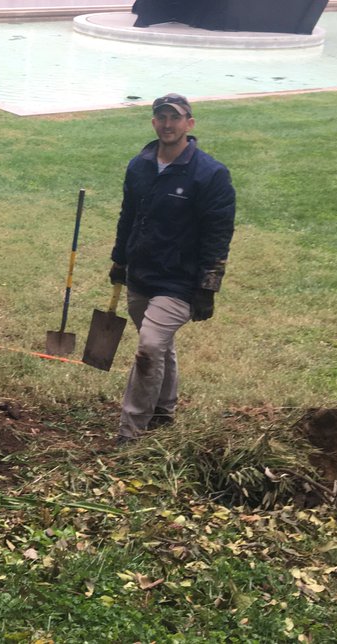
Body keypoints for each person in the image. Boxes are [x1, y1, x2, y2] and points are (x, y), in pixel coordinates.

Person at [109, 93, 235, 444]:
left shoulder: (209, 174)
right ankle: (164, 411)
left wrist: (208, 286)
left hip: (180, 280)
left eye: (175, 118)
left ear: (189, 124)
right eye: (161, 117)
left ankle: (131, 432)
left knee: (149, 347)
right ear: (154, 122)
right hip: (141, 273)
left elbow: (218, 233)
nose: (167, 124)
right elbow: (128, 216)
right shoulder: (140, 165)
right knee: (158, 344)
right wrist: (120, 259)